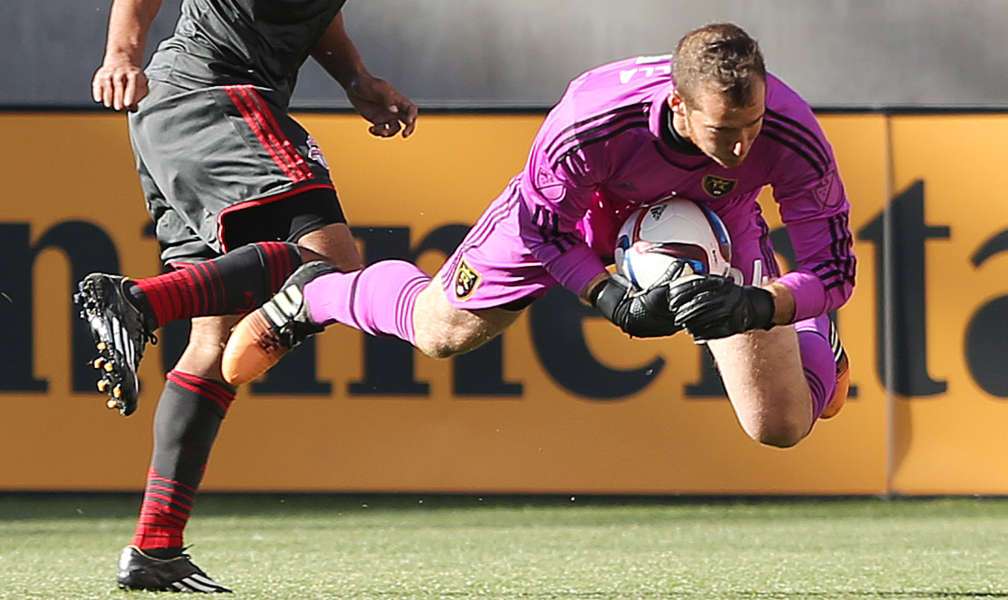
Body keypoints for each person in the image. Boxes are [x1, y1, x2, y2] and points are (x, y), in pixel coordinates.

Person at [223, 23, 854, 452]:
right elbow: (542, 227)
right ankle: (316, 296)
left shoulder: (790, 135)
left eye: (753, 120)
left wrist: (760, 304)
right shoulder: (590, 122)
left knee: (781, 425)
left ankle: (816, 346)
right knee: (441, 332)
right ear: (678, 106)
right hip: (579, 215)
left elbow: (834, 271)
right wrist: (610, 298)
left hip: (716, 223)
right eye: (723, 131)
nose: (742, 146)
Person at [76, 0, 417, 592]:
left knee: (214, 340)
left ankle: (156, 548)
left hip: (176, 112)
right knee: (333, 267)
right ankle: (142, 304)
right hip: (216, 96)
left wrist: (356, 77)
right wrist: (121, 54)